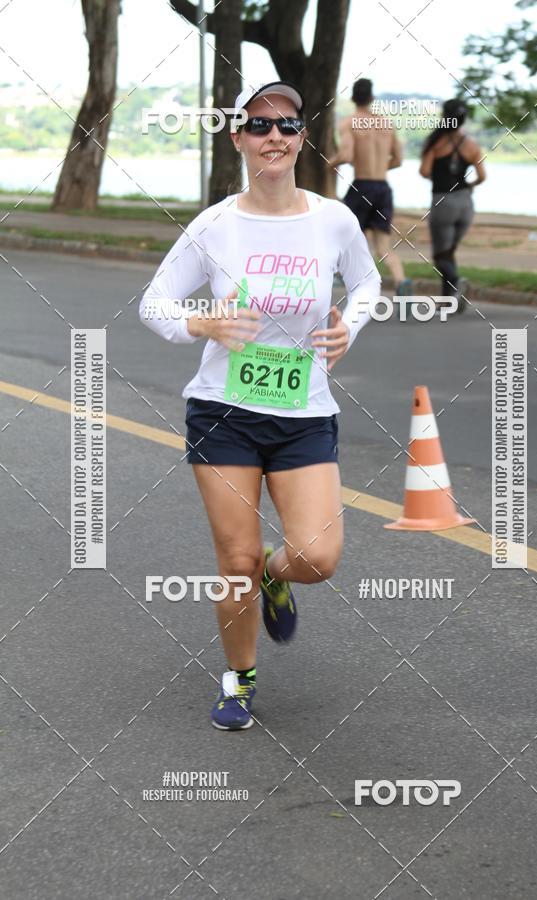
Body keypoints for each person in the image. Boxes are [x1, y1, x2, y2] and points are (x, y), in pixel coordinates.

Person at [139, 81, 380, 731]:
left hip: (304, 412)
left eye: (288, 125)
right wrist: (202, 326)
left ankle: (278, 578)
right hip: (223, 413)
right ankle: (239, 680)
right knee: (235, 558)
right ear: (238, 136)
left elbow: (367, 282)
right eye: (259, 125)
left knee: (317, 558)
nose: (274, 136)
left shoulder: (333, 219)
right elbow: (155, 302)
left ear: (303, 138)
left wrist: (349, 327)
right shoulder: (216, 226)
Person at [328, 78, 412, 297]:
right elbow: (399, 160)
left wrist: (330, 163)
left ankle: (339, 275)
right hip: (383, 188)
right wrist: (379, 169)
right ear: (372, 98)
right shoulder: (386, 124)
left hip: (362, 186)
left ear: (354, 98)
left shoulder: (348, 123)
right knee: (383, 246)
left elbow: (346, 155)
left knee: (347, 234)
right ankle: (402, 281)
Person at [419, 98, 486, 310]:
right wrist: (469, 184)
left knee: (440, 254)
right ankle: (448, 301)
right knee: (448, 253)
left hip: (443, 202)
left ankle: (457, 283)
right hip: (466, 203)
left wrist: (438, 178)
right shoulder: (472, 145)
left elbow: (424, 171)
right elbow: (482, 176)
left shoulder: (436, 142)